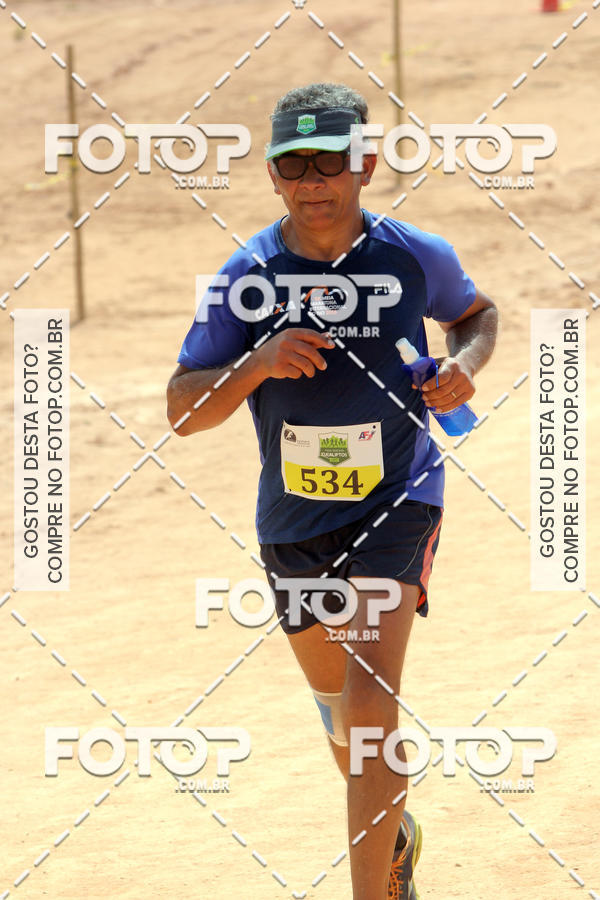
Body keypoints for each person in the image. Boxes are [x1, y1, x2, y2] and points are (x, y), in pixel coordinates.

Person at [167, 82, 498, 900]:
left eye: (331, 162)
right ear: (272, 175)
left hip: (399, 501)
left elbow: (476, 313)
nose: (313, 180)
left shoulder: (414, 255)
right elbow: (181, 410)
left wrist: (464, 365)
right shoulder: (246, 275)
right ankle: (392, 835)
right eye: (295, 164)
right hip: (293, 523)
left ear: (367, 166)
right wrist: (255, 364)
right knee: (343, 718)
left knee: (372, 702)